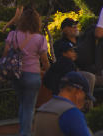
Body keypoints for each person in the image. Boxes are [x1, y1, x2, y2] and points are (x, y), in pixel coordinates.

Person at [5, 7, 49, 136]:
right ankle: (25, 133)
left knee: (23, 103)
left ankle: (22, 131)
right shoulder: (40, 39)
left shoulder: (12, 35)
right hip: (32, 75)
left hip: (16, 74)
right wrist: (49, 72)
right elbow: (45, 60)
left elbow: (5, 53)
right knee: (29, 106)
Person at [34, 71, 96, 136]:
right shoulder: (71, 112)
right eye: (85, 98)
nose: (84, 102)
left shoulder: (42, 109)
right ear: (78, 92)